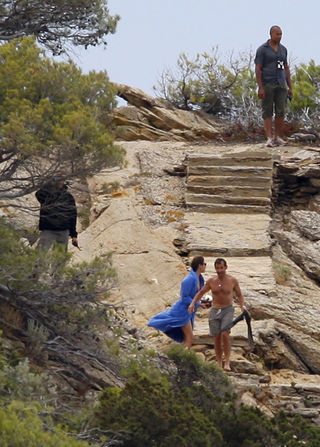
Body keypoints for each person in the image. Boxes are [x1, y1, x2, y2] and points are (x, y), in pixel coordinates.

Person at [188, 258, 245, 371]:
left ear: (226, 267)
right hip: (215, 310)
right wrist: (193, 303)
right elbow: (201, 293)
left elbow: (239, 295)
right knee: (217, 337)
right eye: (217, 268)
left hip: (228, 309)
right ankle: (219, 362)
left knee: (225, 333)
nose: (219, 271)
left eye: (221, 268)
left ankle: (227, 362)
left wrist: (242, 306)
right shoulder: (211, 281)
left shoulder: (232, 280)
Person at [147, 256, 207, 348]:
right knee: (189, 337)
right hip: (182, 311)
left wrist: (201, 303)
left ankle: (182, 353)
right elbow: (184, 297)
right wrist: (197, 303)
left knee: (186, 337)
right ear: (200, 265)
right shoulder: (189, 279)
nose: (205, 266)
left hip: (190, 312)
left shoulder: (200, 279)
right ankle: (183, 357)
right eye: (204, 264)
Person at [255, 25, 292, 147]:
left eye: (281, 34)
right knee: (268, 111)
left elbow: (286, 67)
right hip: (268, 83)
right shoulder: (262, 50)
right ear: (271, 34)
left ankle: (277, 137)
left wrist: (289, 86)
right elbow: (258, 68)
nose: (280, 36)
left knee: (280, 110)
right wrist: (260, 87)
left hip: (281, 83)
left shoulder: (283, 50)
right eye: (277, 34)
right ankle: (269, 138)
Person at [35, 177, 78, 251]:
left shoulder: (68, 197)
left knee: (60, 258)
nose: (60, 182)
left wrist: (73, 235)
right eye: (57, 180)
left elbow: (72, 216)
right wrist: (48, 184)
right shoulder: (46, 194)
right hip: (48, 229)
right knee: (40, 255)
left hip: (63, 231)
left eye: (61, 180)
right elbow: (38, 194)